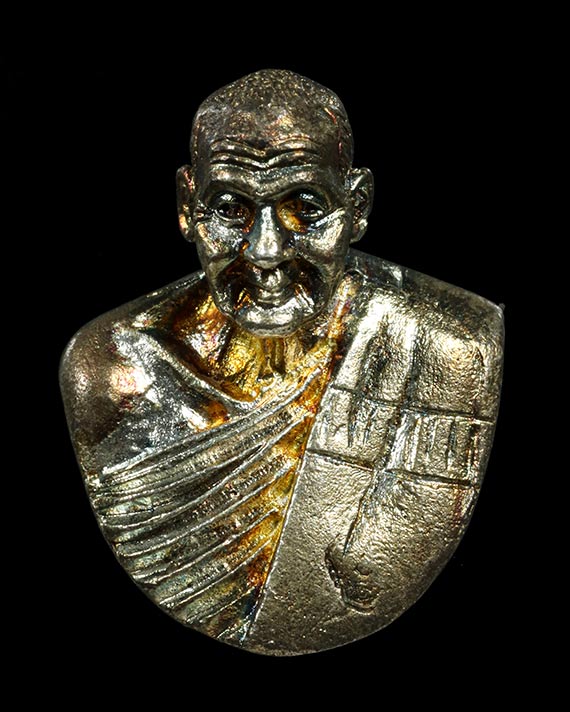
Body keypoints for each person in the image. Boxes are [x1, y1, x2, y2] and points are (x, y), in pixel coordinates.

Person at [60, 69, 503, 655]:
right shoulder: (112, 368)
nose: (266, 250)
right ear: (186, 206)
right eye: (230, 209)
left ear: (357, 206)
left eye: (306, 208)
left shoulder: (447, 345)